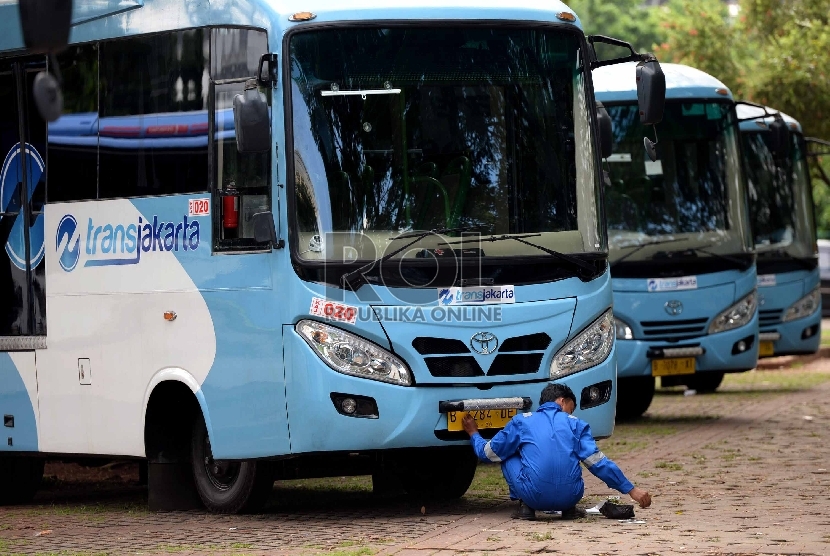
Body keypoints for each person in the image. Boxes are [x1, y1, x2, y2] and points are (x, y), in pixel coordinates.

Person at [462, 383, 652, 520]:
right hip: (571, 496)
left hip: (533, 495)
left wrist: (473, 433)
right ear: (562, 401)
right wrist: (632, 490)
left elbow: (487, 454)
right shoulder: (577, 424)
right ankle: (568, 509)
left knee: (506, 452)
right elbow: (599, 464)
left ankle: (526, 506)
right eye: (571, 408)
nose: (570, 414)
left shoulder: (522, 421)